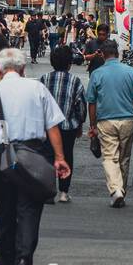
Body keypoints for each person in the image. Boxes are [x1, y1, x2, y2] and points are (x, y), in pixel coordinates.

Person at [0, 47, 67, 265]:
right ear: (23, 69)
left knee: (5, 209)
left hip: (0, 155)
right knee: (29, 208)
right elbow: (52, 126)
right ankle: (24, 260)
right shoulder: (38, 88)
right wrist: (59, 157)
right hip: (33, 153)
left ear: (0, 70)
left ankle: (5, 263)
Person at [87, 39, 133, 207]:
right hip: (127, 120)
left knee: (110, 157)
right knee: (124, 158)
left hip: (105, 121)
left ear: (102, 54)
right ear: (118, 53)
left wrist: (92, 126)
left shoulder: (97, 74)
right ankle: (121, 191)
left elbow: (91, 103)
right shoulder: (130, 72)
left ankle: (116, 190)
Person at [40, 44, 87, 203]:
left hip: (47, 127)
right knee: (66, 156)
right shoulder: (75, 81)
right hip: (68, 127)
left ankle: (48, 191)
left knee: (47, 157)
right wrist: (80, 125)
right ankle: (64, 192)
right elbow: (80, 106)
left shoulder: (44, 79)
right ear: (69, 63)